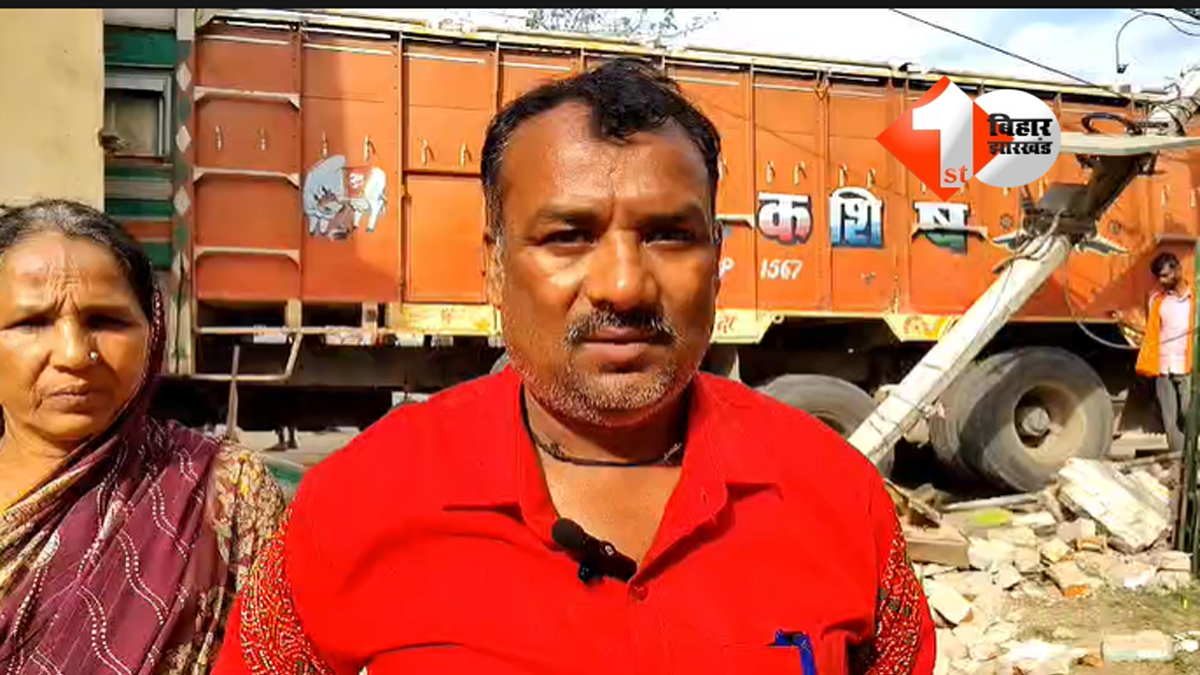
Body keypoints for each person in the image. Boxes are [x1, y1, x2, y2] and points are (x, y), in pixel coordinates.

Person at [213, 58, 936, 675]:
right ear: (495, 269)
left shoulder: (839, 496)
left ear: (717, 260)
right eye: (568, 236)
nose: (624, 285)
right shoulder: (356, 502)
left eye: (668, 235)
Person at [0, 199, 287, 673]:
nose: (73, 354)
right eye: (32, 323)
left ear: (152, 333)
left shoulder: (226, 491)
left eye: (105, 321)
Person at [1128, 251, 1195, 453]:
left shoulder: (1195, 299)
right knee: (1170, 423)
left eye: (1165, 275)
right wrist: (1125, 321)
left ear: (1178, 270)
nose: (1162, 281)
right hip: (1163, 369)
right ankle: (1179, 461)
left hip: (1188, 367)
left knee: (1189, 414)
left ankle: (1193, 456)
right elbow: (1151, 331)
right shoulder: (1157, 301)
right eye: (1159, 277)